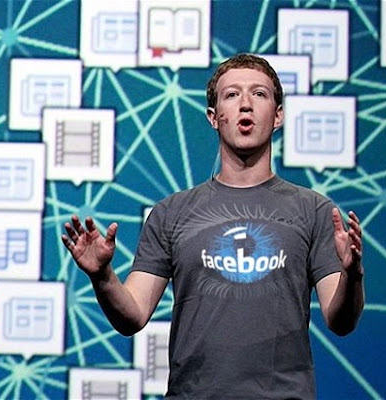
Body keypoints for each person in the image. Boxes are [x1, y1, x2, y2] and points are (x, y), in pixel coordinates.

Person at [62, 53, 365, 399]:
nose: (246, 104)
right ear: (213, 117)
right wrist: (102, 276)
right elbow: (132, 315)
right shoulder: (171, 213)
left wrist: (352, 274)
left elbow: (341, 322)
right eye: (232, 95)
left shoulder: (314, 210)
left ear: (278, 115)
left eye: (259, 94)